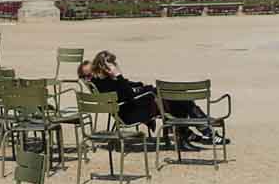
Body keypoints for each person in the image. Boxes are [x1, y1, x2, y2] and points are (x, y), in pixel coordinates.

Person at [82, 50, 214, 146]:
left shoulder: (102, 81)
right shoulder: (107, 82)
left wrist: (139, 85)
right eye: (111, 63)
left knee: (176, 97)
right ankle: (203, 132)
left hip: (131, 108)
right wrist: (119, 74)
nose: (114, 65)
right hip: (132, 113)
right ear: (103, 66)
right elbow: (127, 94)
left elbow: (126, 89)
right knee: (178, 98)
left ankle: (189, 133)